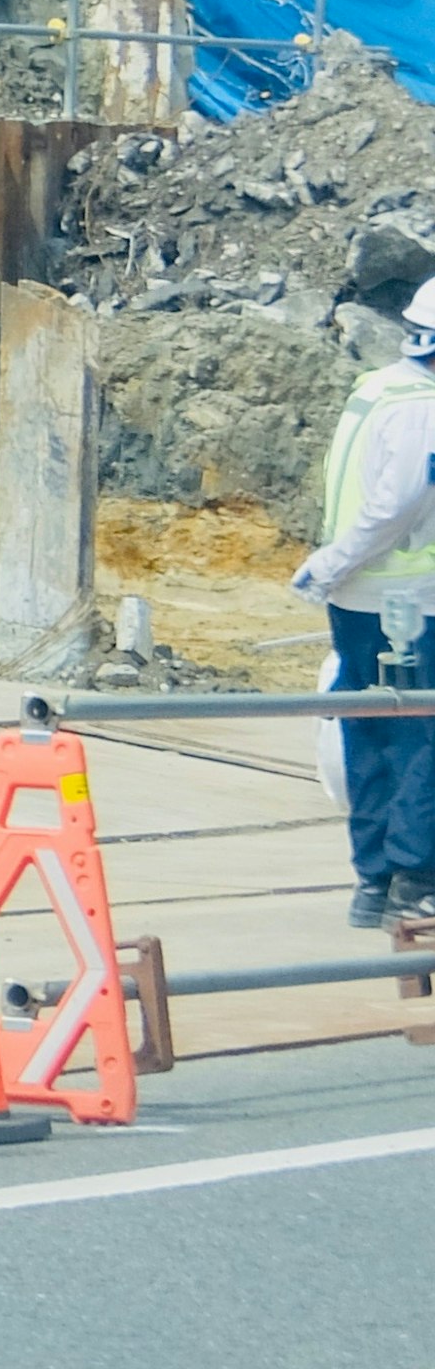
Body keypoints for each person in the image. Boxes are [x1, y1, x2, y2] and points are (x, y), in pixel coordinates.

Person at [293, 276, 435, 926]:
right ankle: (413, 877)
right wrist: (334, 561)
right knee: (419, 736)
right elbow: (394, 506)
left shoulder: (378, 388)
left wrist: (332, 567)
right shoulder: (423, 409)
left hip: (359, 595)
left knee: (369, 730)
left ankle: (374, 883)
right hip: (406, 601)